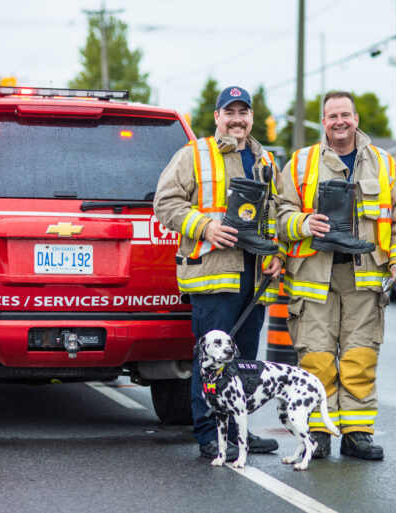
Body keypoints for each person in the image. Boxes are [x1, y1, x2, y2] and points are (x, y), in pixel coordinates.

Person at [276, 91, 396, 460]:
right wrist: (304, 223)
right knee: (316, 359)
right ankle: (319, 433)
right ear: (323, 122)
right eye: (332, 116)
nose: (339, 122)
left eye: (345, 115)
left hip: (364, 279)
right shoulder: (301, 163)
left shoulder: (384, 163)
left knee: (360, 357)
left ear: (356, 119)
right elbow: (279, 214)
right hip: (313, 277)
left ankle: (356, 434)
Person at [154, 86, 284, 461]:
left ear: (251, 118)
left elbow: (276, 212)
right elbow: (165, 202)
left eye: (243, 112)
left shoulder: (265, 160)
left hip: (254, 276)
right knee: (212, 360)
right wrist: (204, 226)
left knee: (244, 361)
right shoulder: (194, 155)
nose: (237, 119)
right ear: (217, 117)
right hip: (214, 277)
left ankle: (239, 431)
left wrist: (278, 253)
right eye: (230, 112)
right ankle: (209, 434)